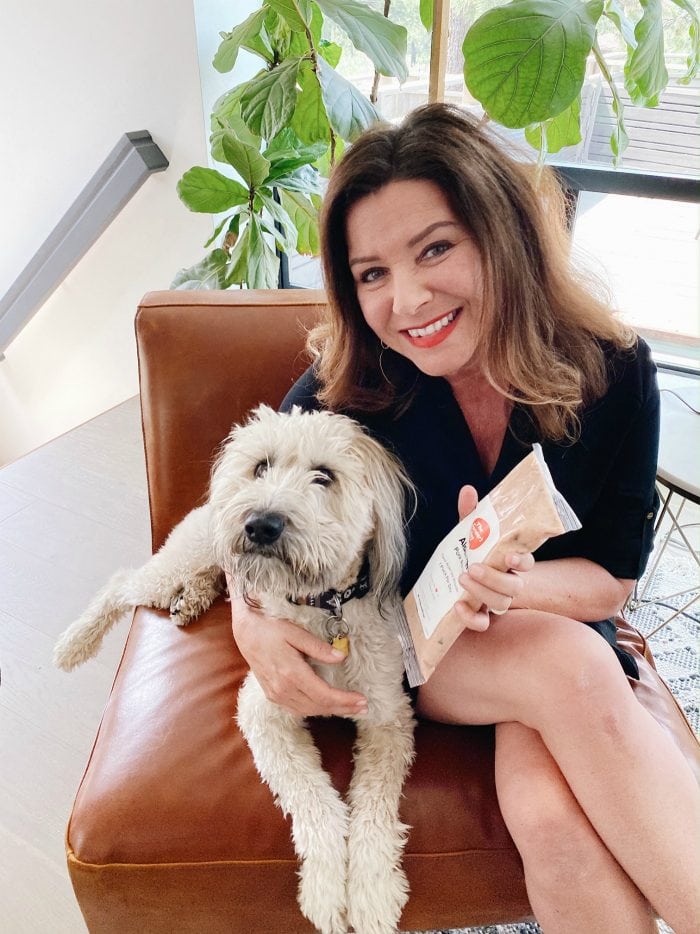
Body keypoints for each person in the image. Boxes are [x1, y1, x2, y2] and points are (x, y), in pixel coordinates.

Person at [230, 104, 700, 933]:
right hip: (406, 644)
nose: (407, 299)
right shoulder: (350, 386)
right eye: (370, 273)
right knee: (573, 668)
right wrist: (251, 625)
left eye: (436, 248)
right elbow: (249, 513)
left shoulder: (611, 370)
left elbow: (612, 577)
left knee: (557, 824)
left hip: (540, 618)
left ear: (503, 236)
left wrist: (516, 584)